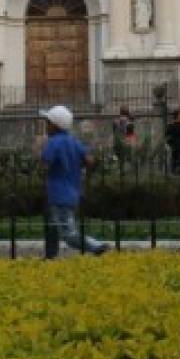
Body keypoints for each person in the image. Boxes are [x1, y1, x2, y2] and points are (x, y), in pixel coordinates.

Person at [39, 105, 108, 259]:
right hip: (72, 192)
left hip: (57, 194)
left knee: (67, 233)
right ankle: (50, 257)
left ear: (55, 125)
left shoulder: (53, 142)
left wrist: (41, 151)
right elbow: (89, 161)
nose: (46, 126)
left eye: (47, 122)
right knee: (51, 226)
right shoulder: (74, 142)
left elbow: (45, 166)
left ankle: (96, 246)